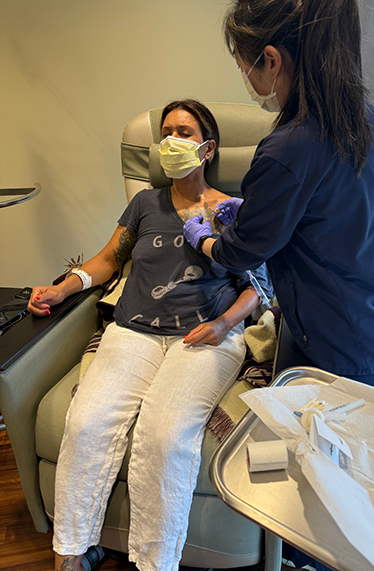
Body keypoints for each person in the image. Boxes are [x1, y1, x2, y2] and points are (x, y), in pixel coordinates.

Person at [182, 0, 374, 569]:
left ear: (270, 59)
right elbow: (327, 208)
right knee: (335, 453)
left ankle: (304, 556)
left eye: (244, 64)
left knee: (328, 477)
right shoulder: (360, 113)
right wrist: (257, 208)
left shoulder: (289, 147)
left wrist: (205, 235)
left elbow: (244, 252)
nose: (246, 78)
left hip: (346, 341)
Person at [27, 99, 271, 571]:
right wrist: (63, 288)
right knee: (86, 423)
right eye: (165, 134)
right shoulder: (144, 204)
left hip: (203, 335)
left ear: (207, 148)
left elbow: (257, 288)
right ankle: (69, 554)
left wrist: (223, 324)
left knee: (165, 435)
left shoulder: (231, 212)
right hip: (134, 330)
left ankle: (155, 563)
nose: (170, 141)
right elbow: (108, 260)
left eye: (183, 132)